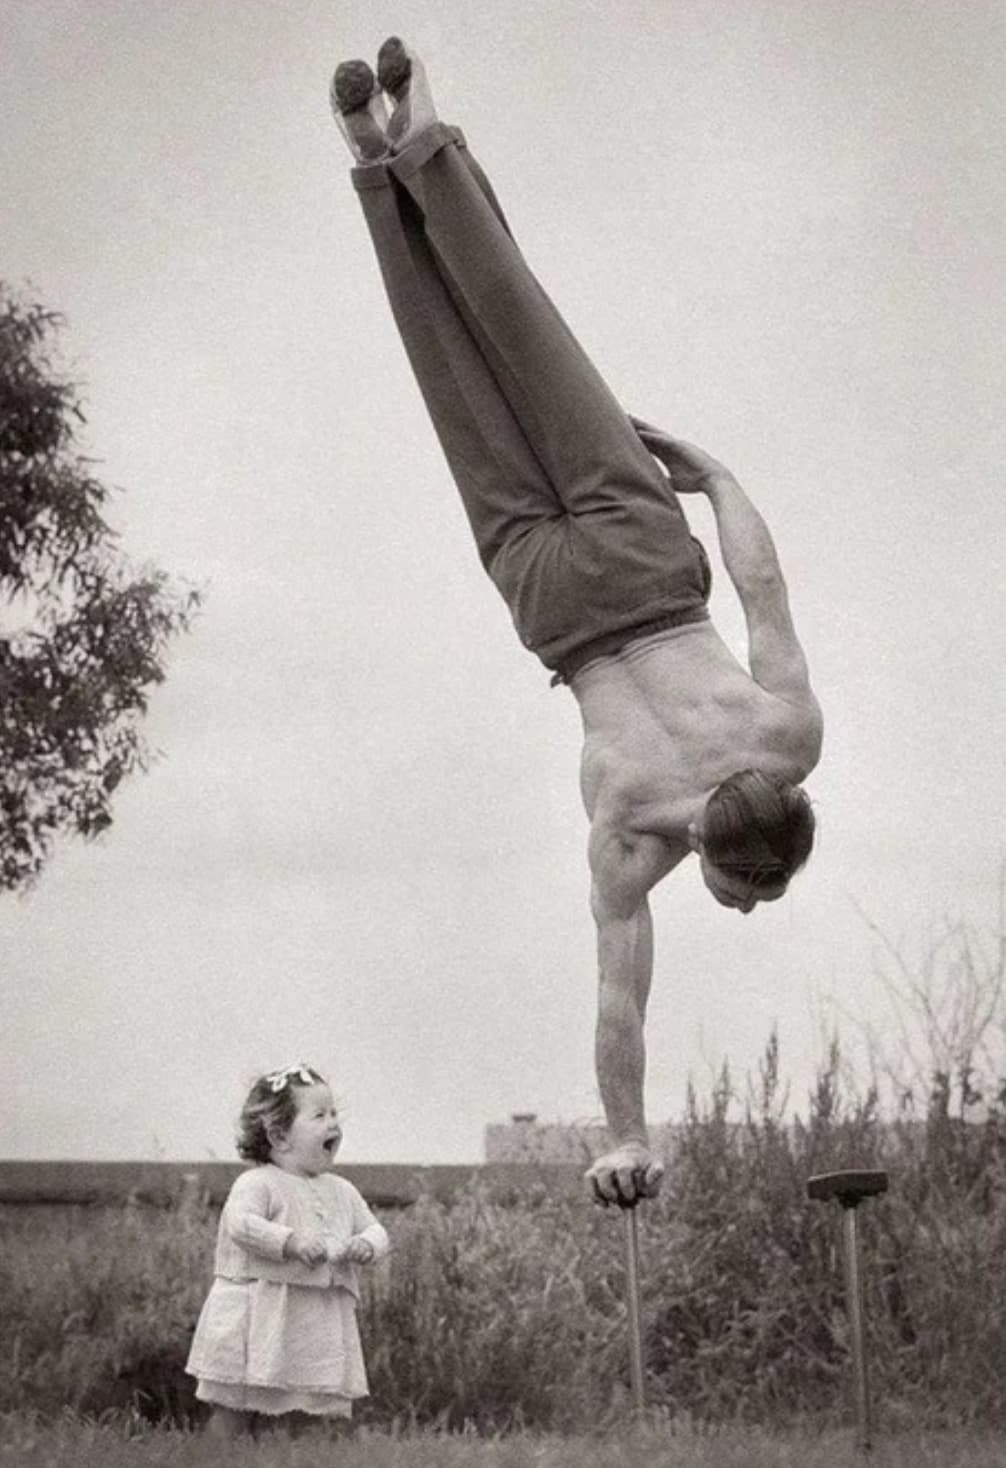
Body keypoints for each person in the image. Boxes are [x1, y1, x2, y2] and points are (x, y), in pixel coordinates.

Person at [330, 41, 823, 1209]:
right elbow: (619, 1002)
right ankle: (371, 162)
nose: (744, 911)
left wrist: (716, 474)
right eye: (751, 896)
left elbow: (761, 587)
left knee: (517, 327)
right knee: (451, 370)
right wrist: (623, 1136)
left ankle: (419, 137)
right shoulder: (629, 844)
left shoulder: (790, 739)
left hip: (643, 560)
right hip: (556, 601)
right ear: (712, 852)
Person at [185, 1063, 389, 1437]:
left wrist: (366, 1244)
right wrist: (290, 1242)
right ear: (279, 1136)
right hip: (260, 1314)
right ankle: (218, 1456)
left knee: (305, 1406)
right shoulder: (258, 1183)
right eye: (319, 1115)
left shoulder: (341, 1190)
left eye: (334, 1114)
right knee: (235, 1406)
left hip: (312, 1320)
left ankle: (292, 1452)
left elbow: (377, 1229)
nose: (333, 1124)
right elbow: (241, 1224)